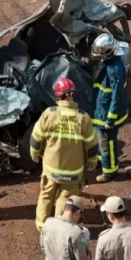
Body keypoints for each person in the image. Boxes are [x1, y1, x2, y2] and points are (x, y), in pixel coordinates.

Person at [30, 78, 98, 231]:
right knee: (65, 199)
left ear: (58, 96)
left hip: (51, 168)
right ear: (73, 94)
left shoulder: (49, 114)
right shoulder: (83, 118)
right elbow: (92, 145)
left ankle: (42, 227)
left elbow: (36, 138)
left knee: (46, 196)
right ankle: (59, 229)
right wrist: (92, 162)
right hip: (73, 171)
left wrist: (34, 154)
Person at [90, 33, 129, 183]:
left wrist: (110, 119)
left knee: (108, 144)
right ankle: (102, 162)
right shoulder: (110, 63)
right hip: (101, 111)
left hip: (107, 114)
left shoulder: (116, 69)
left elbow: (116, 97)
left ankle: (110, 172)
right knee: (101, 141)